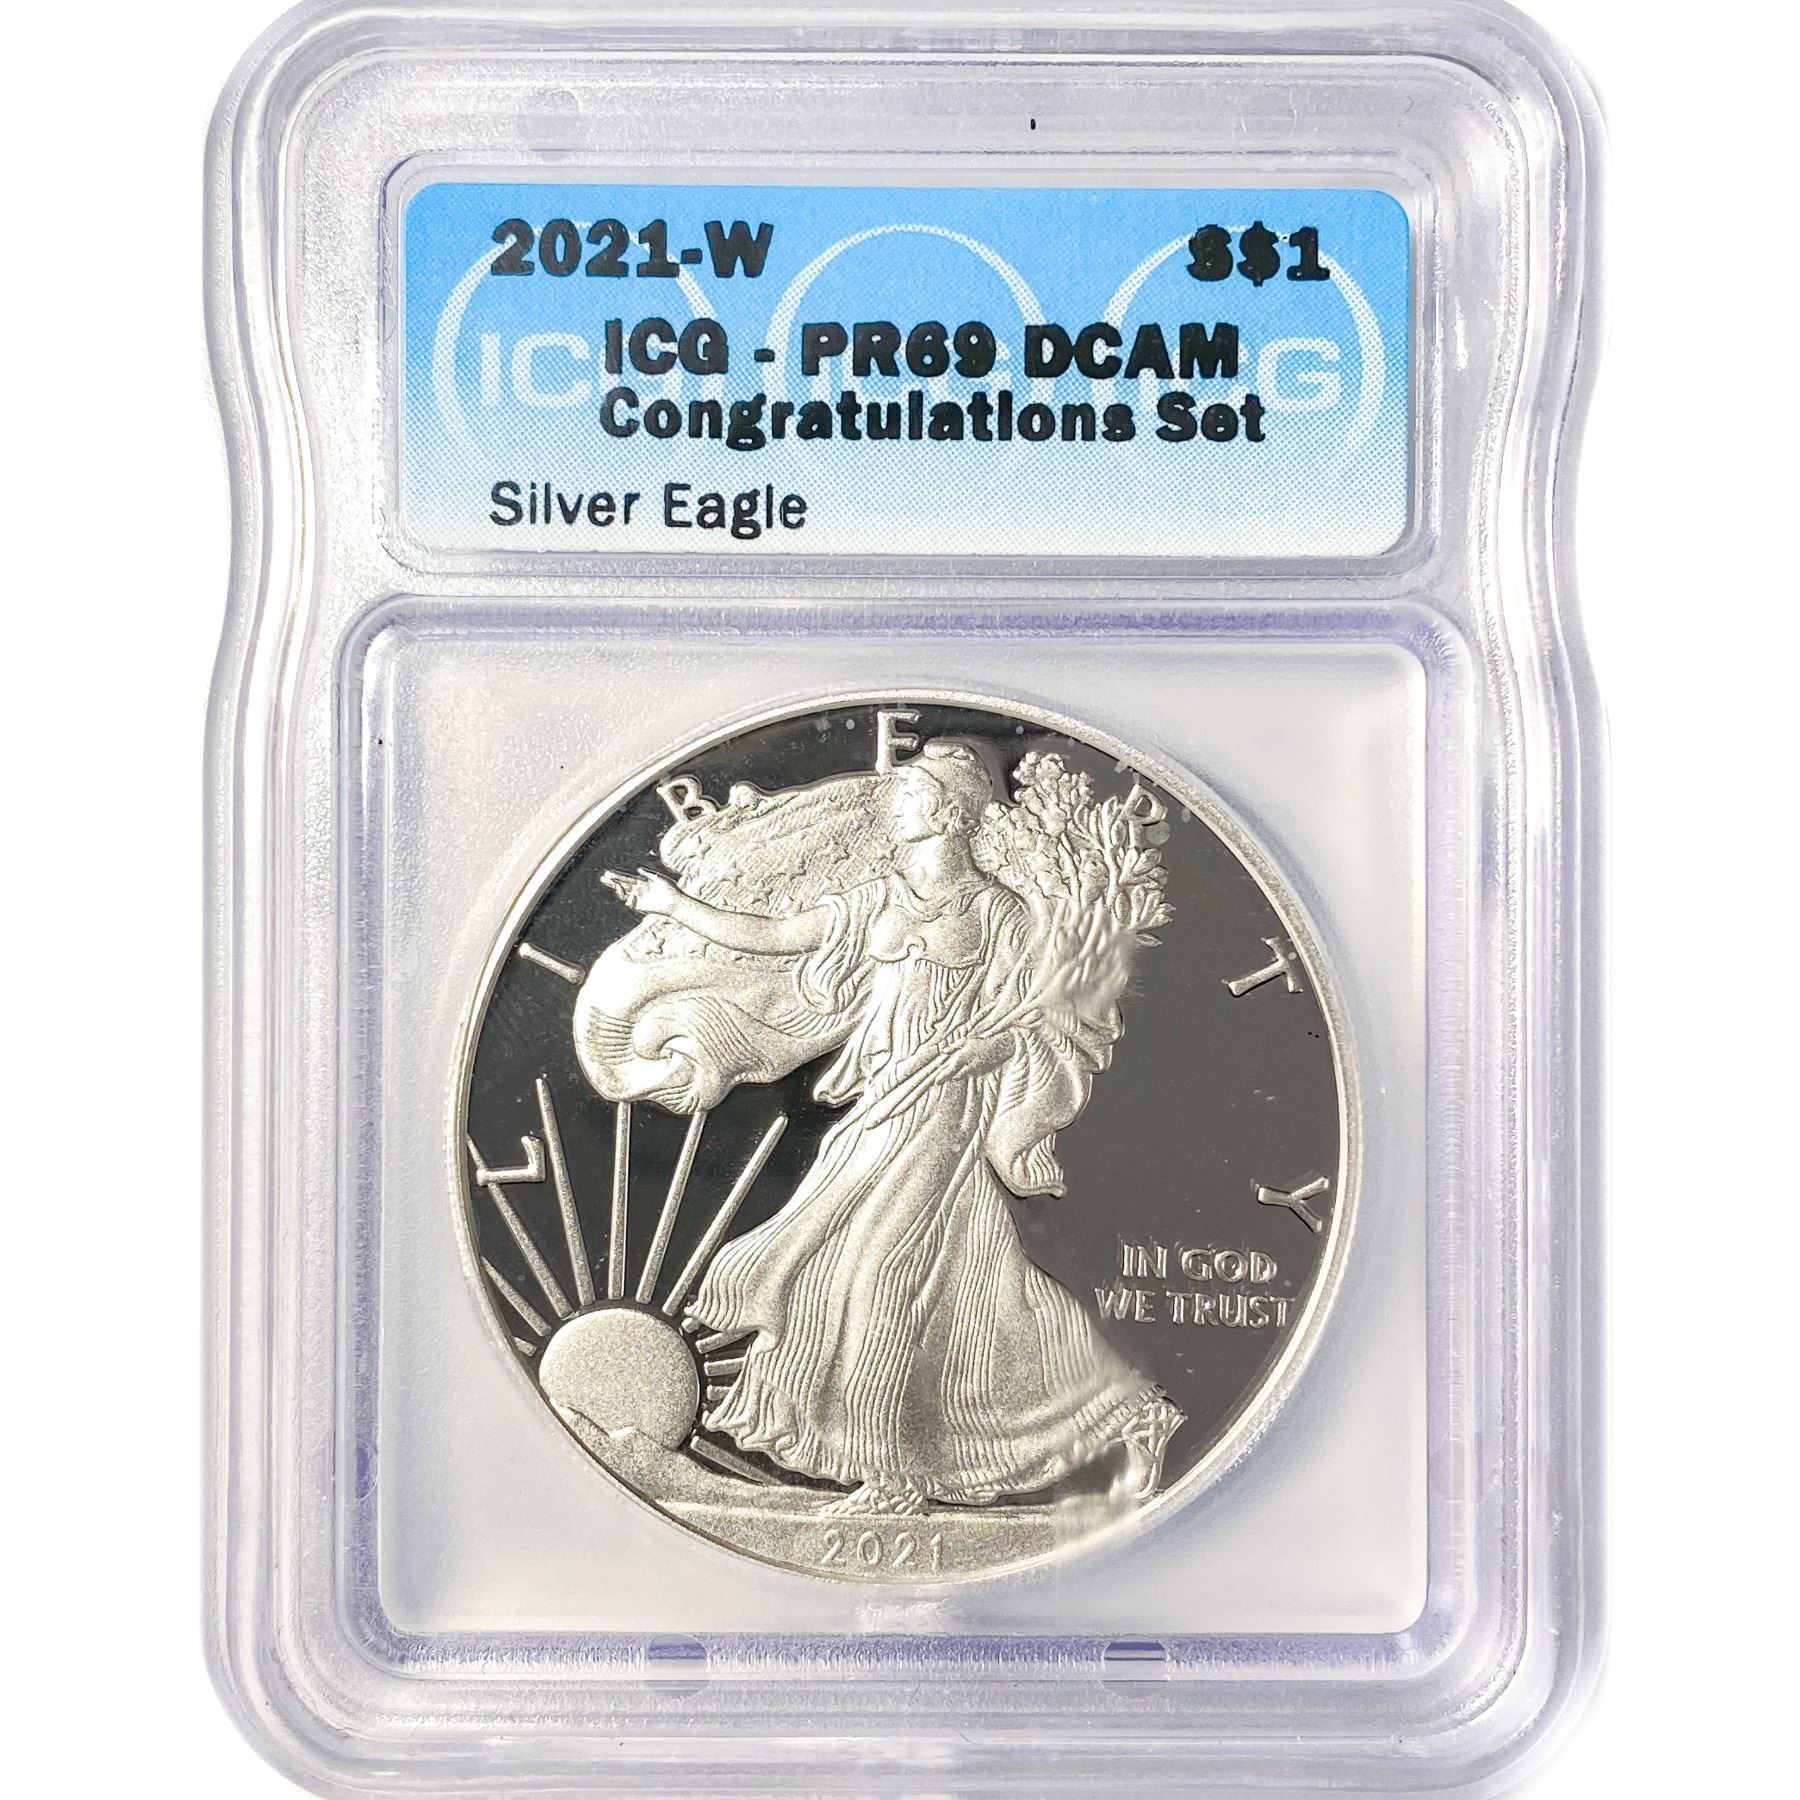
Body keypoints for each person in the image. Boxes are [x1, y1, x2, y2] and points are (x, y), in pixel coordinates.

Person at [606, 740, 1178, 1514]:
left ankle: (892, 1477)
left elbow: (1032, 1021)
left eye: (907, 796)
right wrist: (672, 905)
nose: (893, 806)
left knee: (879, 1273)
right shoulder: (880, 897)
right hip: (882, 1101)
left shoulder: (999, 913)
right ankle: (1124, 1411)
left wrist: (979, 1047)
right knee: (966, 1284)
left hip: (945, 1107)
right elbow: (779, 935)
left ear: (945, 813)